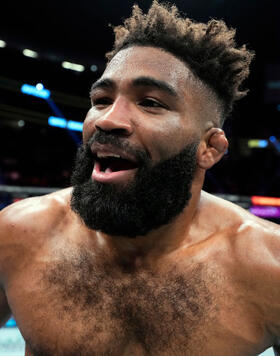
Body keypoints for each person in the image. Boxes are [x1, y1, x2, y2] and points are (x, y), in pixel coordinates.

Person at [0, 1, 279, 355]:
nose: (107, 119)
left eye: (150, 102)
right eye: (101, 99)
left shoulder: (270, 265)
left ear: (210, 148)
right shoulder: (17, 235)